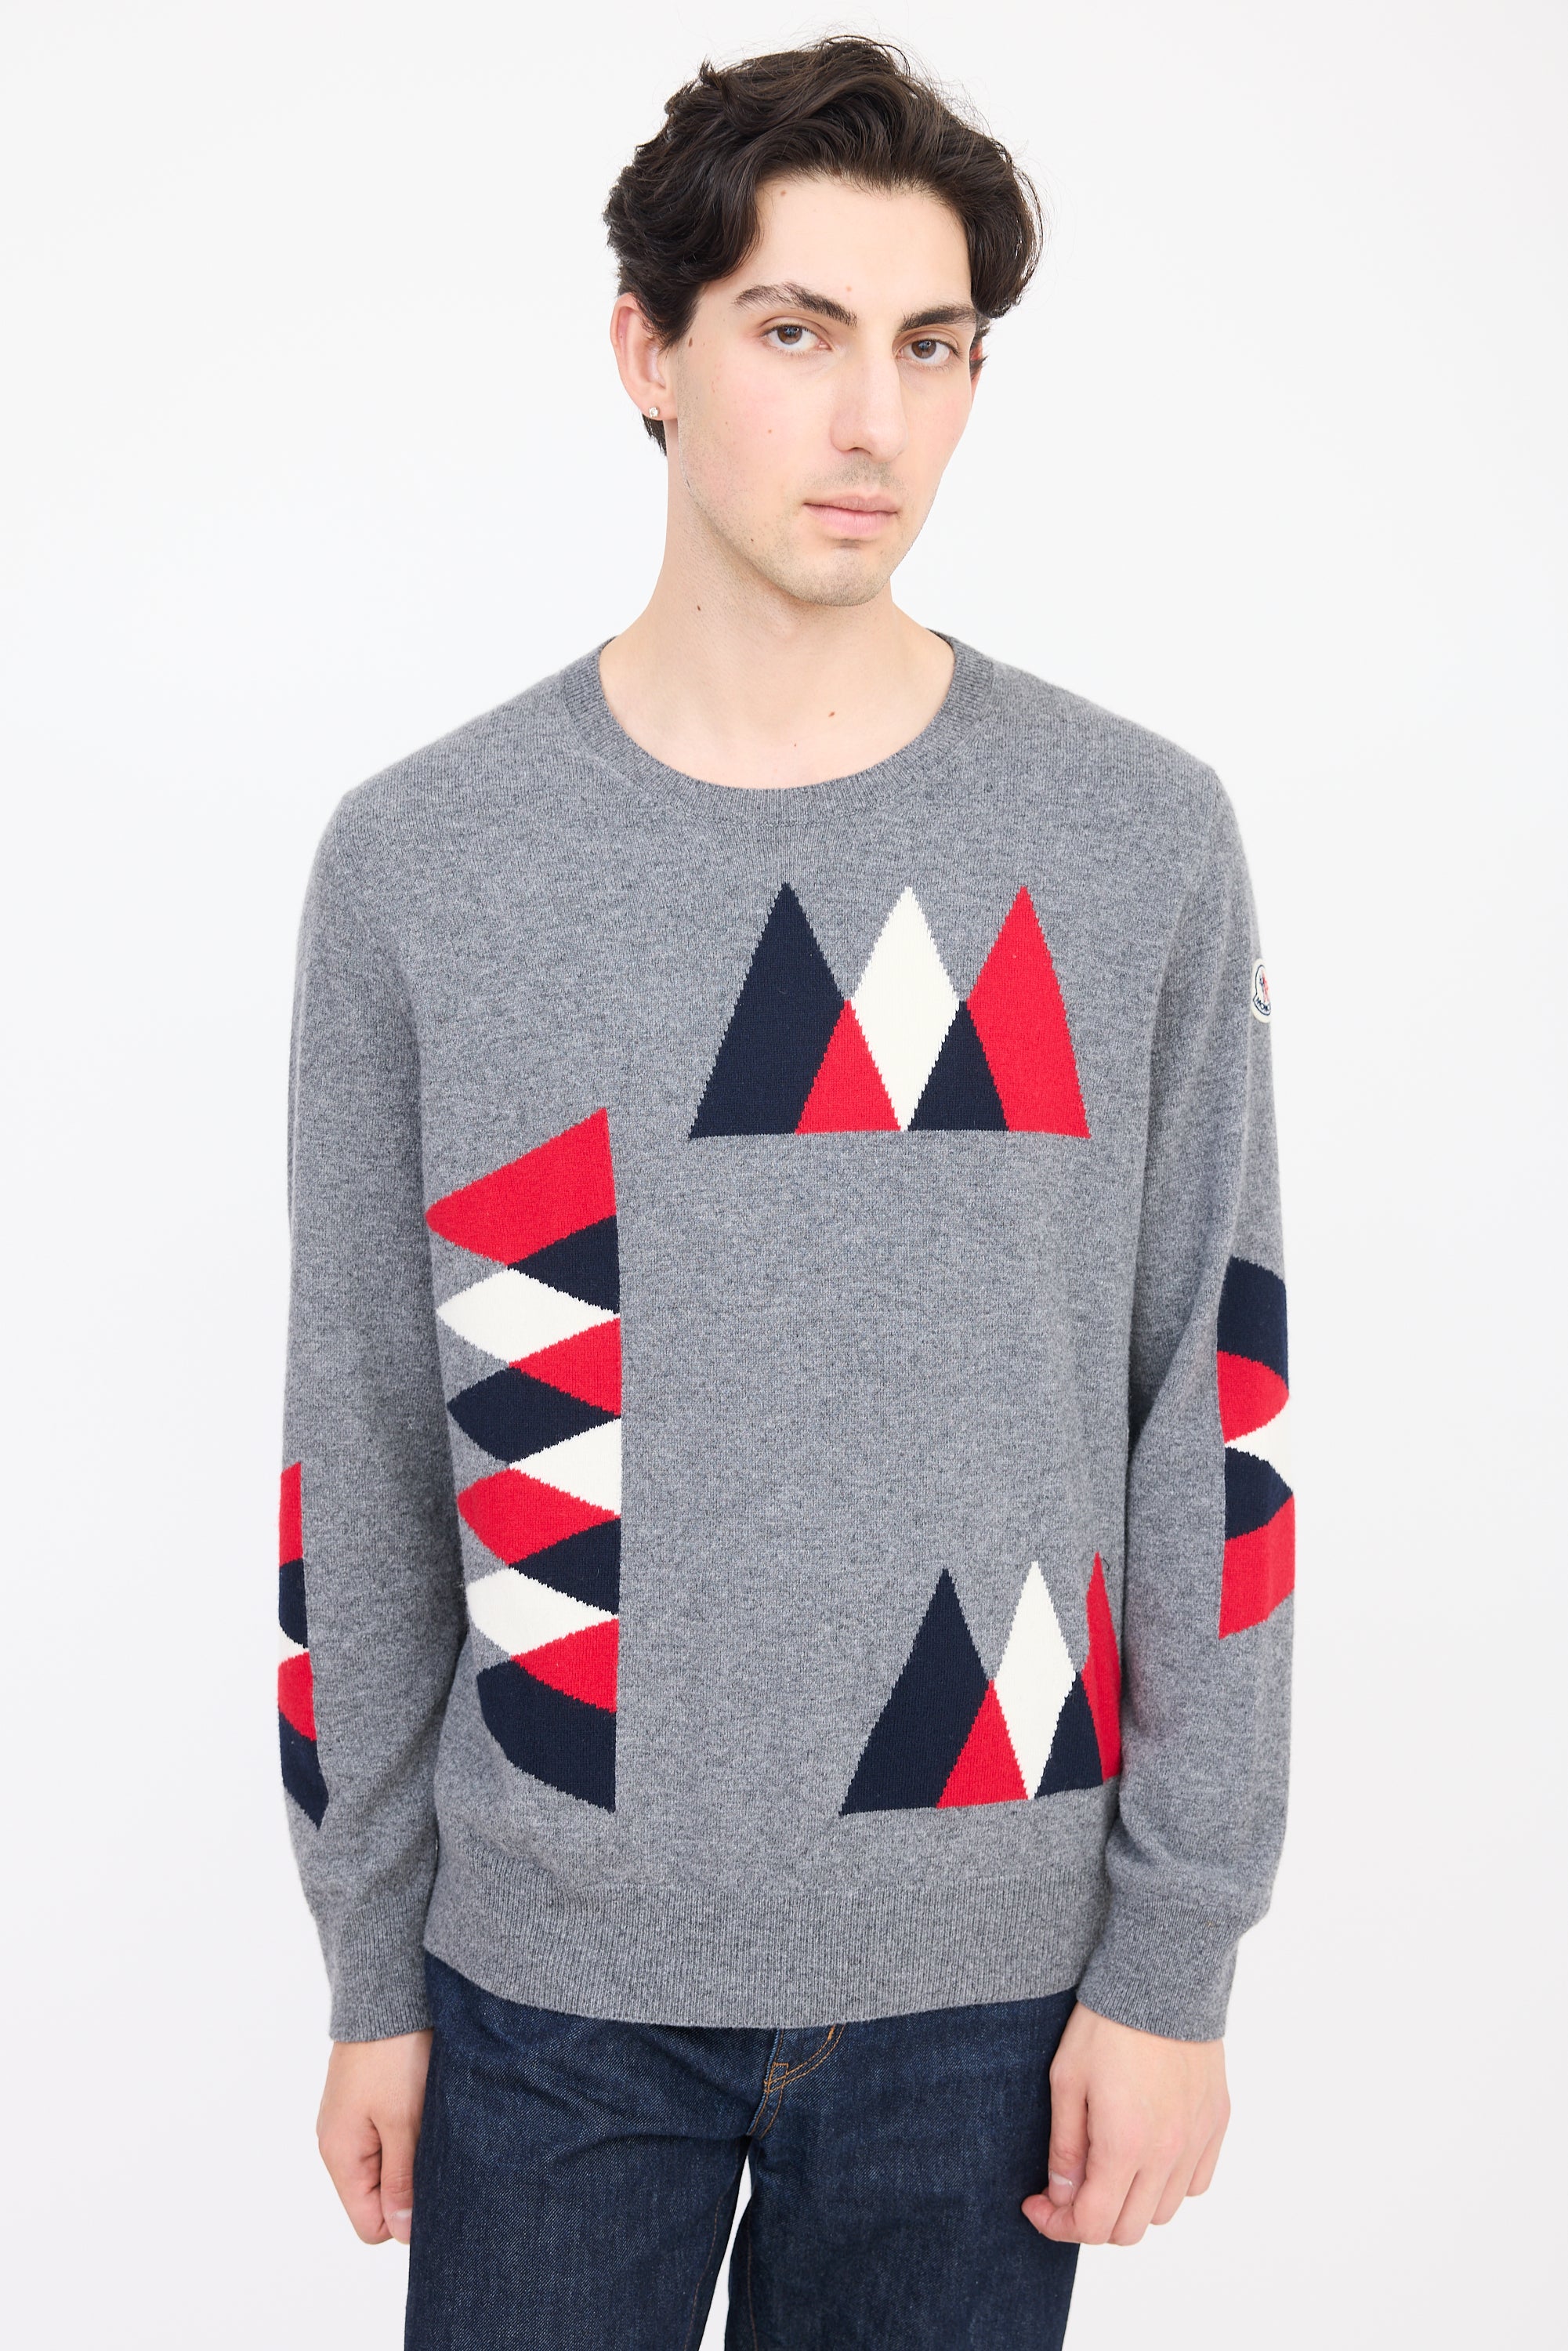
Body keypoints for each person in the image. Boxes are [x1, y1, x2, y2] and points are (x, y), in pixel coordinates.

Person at [277, 36, 1292, 2349]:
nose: (872, 421)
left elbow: (1214, 1413)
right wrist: (370, 1962)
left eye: (931, 346)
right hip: (544, 1991)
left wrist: (1176, 1956)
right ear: (647, 351)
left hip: (992, 2000)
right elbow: (361, 1438)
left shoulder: (1133, 836)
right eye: (796, 330)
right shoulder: (429, 861)